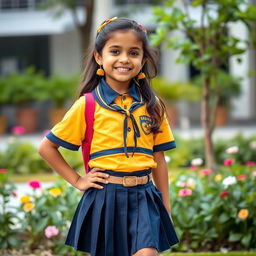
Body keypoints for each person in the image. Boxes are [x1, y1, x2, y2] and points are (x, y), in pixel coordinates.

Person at [38, 17, 179, 256]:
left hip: (144, 196)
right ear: (98, 57)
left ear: (143, 60)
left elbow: (159, 158)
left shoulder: (153, 106)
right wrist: (78, 180)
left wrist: (165, 205)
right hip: (105, 199)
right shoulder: (88, 105)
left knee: (147, 253)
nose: (124, 59)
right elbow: (46, 148)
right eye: (115, 51)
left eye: (133, 53)